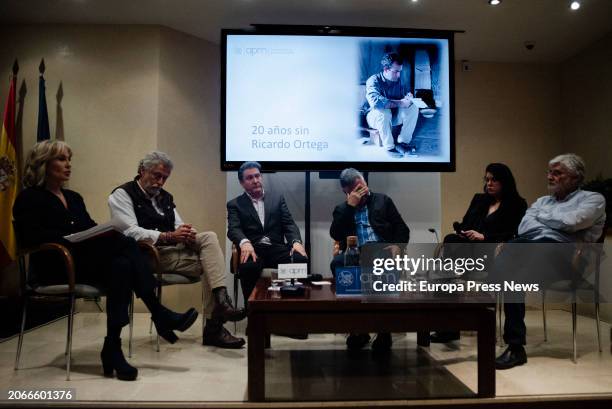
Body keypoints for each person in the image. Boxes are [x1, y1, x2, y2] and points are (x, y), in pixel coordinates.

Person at [13, 141, 198, 381]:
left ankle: (113, 347)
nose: (68, 165)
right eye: (61, 159)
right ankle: (159, 314)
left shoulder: (74, 197)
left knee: (121, 265)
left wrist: (98, 232)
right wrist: (72, 239)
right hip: (57, 265)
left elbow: (88, 227)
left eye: (69, 159)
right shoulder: (29, 198)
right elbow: (31, 239)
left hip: (82, 262)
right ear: (43, 163)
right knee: (127, 244)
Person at [108, 151, 245, 349]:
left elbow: (178, 225)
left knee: (209, 237)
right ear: (141, 171)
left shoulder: (165, 197)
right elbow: (129, 232)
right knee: (210, 265)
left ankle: (221, 303)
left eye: (165, 178)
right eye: (157, 176)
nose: (160, 182)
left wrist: (187, 233)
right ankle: (214, 325)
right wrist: (168, 237)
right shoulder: (122, 194)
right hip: (144, 256)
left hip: (171, 251)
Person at [495, 154, 606, 370]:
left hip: (568, 260)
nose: (550, 177)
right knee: (511, 268)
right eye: (549, 172)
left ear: (575, 177)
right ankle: (515, 346)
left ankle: (514, 346)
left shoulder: (593, 199)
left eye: (557, 172)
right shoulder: (543, 201)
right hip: (530, 248)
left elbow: (574, 222)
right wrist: (554, 223)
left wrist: (542, 219)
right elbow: (524, 227)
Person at [431, 163, 528, 343]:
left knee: (447, 266)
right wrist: (464, 231)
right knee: (451, 240)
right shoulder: (479, 199)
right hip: (470, 249)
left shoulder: (517, 204)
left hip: (494, 251)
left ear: (505, 182)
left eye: (494, 180)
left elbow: (514, 234)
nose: (489, 183)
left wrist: (484, 237)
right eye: (487, 180)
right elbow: (466, 222)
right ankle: (448, 327)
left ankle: (452, 321)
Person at [330, 168, 411, 351]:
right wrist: (350, 206)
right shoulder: (342, 209)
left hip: (380, 251)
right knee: (337, 263)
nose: (363, 191)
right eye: (357, 190)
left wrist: (398, 245)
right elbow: (335, 233)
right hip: (355, 253)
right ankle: (358, 330)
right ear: (347, 192)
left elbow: (402, 229)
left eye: (363, 186)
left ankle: (384, 331)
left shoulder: (383, 201)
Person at [227, 161, 308, 304]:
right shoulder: (235, 204)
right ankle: (252, 311)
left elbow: (288, 223)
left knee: (300, 259)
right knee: (249, 266)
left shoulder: (277, 198)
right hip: (253, 249)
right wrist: (244, 242)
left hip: (276, 248)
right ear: (242, 182)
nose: (255, 180)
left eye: (257, 176)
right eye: (250, 178)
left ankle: (292, 307)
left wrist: (296, 242)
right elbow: (234, 228)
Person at [364, 52, 420, 158]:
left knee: (413, 107)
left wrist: (408, 97)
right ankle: (389, 147)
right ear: (386, 69)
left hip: (392, 116)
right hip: (375, 117)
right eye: (396, 72)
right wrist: (400, 102)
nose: (398, 75)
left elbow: (404, 97)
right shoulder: (373, 80)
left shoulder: (399, 80)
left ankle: (403, 142)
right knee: (383, 111)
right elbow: (376, 103)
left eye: (400, 72)